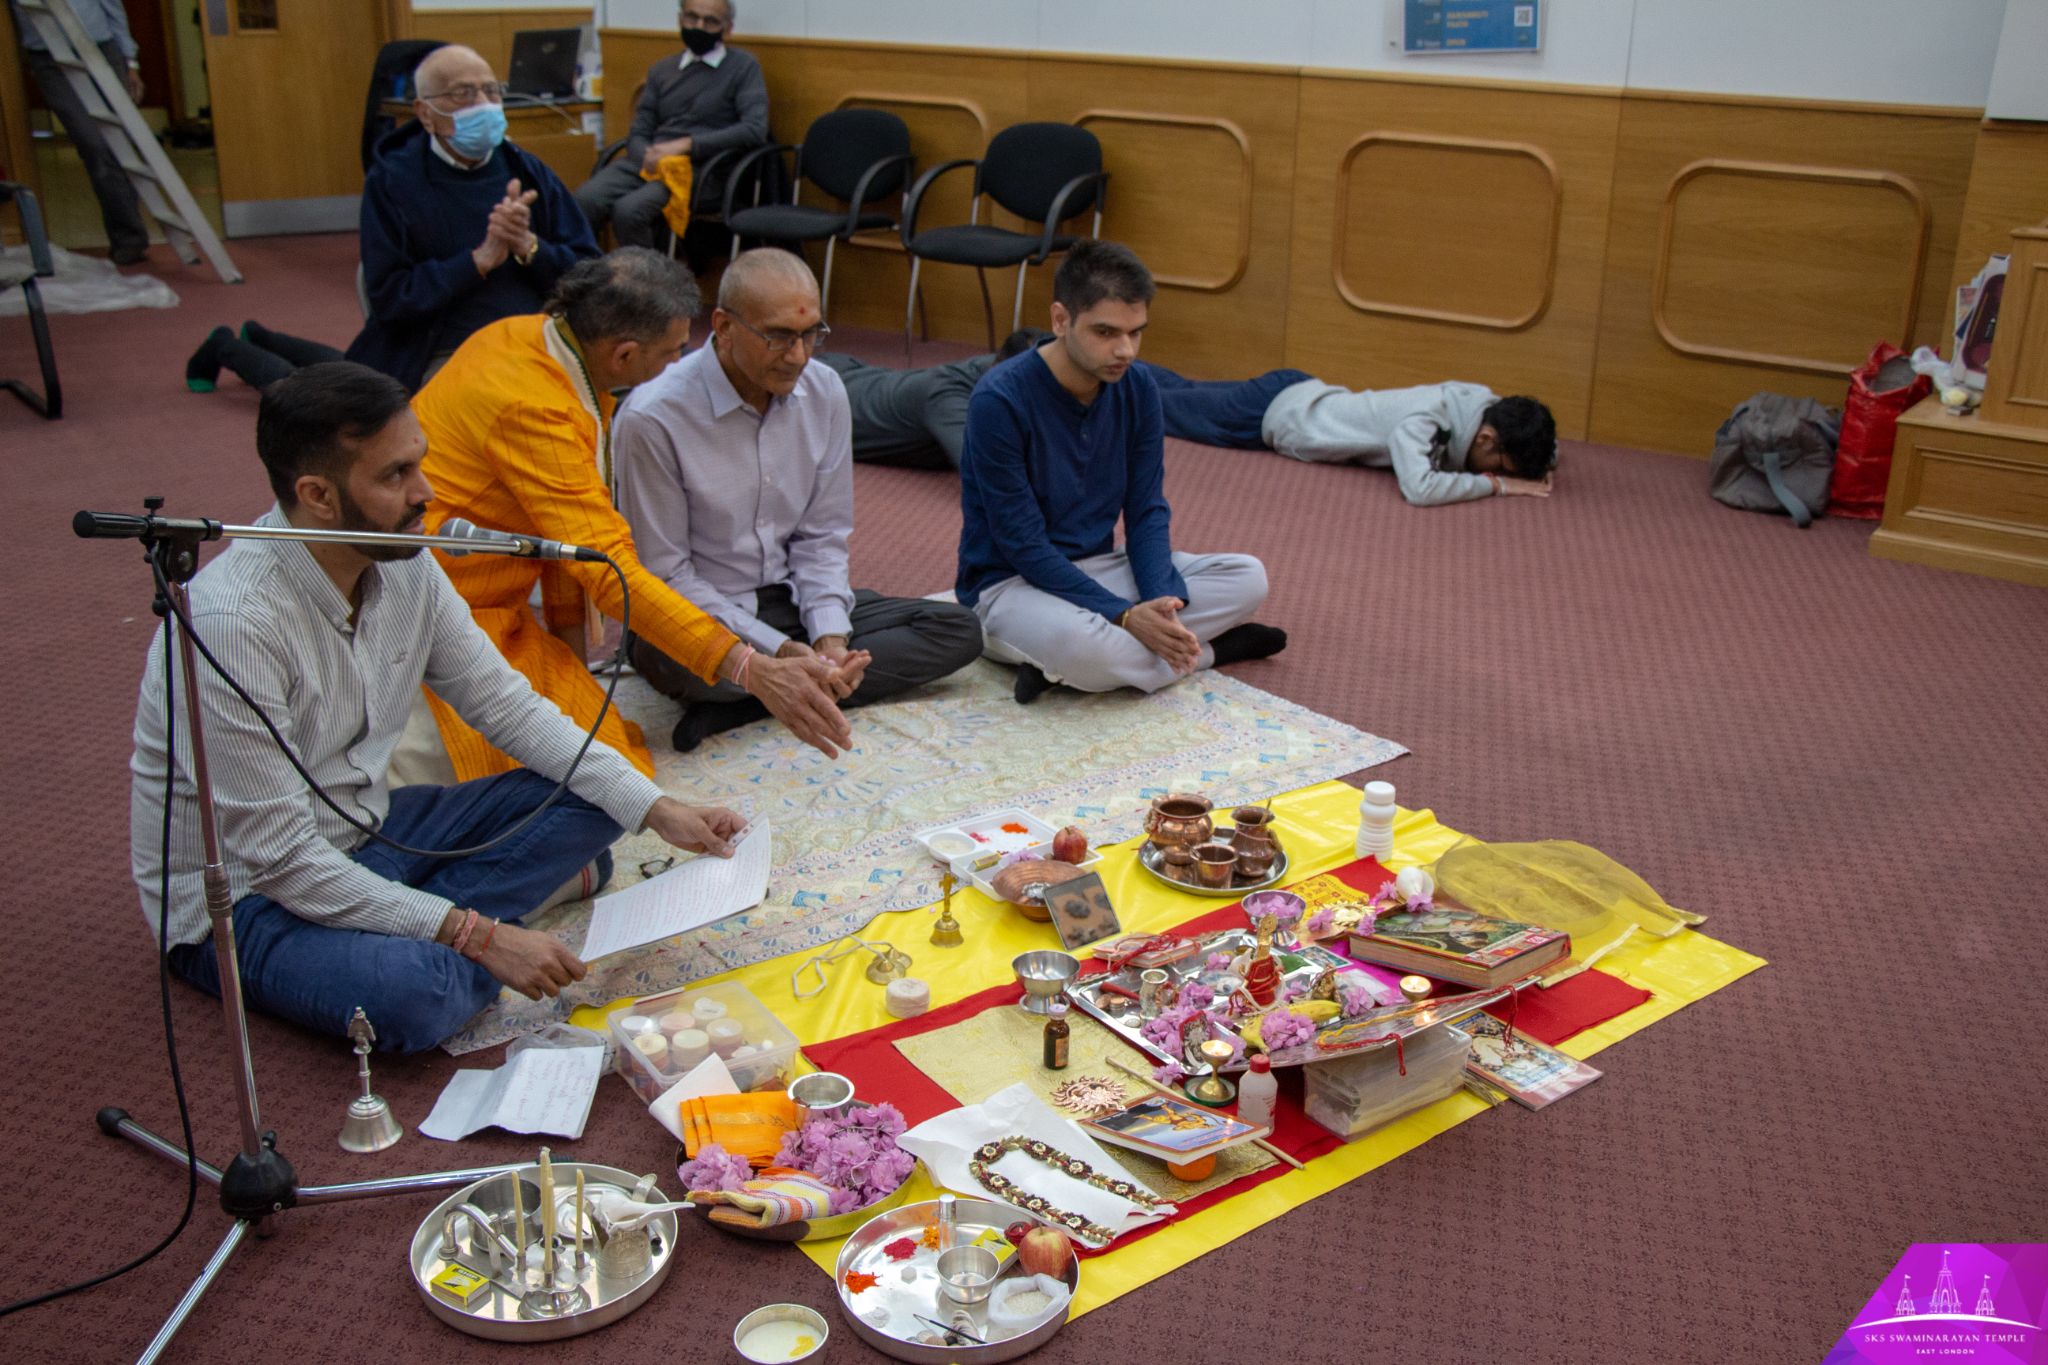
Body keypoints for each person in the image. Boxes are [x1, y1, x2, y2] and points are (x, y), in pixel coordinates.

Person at [129, 362, 746, 1052]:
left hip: (370, 829)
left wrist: (659, 809)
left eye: (419, 464)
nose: (427, 493)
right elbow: (282, 858)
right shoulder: (232, 623)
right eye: (396, 476)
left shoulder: (406, 562)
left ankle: (418, 913)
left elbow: (507, 706)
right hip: (250, 898)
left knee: (606, 792)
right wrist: (477, 933)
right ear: (318, 495)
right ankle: (450, 917)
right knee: (418, 996)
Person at [413, 247, 853, 781]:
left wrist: (571, 662)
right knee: (591, 775)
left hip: (498, 599)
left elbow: (562, 544)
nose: (678, 364)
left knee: (598, 746)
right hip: (448, 607)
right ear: (623, 356)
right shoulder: (536, 407)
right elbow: (606, 568)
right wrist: (748, 666)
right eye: (671, 352)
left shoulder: (527, 338)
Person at [616, 250, 983, 750]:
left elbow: (822, 536)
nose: (799, 355)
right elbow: (666, 576)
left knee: (956, 630)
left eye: (811, 334)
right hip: (698, 618)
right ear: (722, 327)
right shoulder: (653, 417)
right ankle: (768, 686)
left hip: (785, 600)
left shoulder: (824, 390)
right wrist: (781, 651)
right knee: (681, 661)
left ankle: (750, 705)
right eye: (779, 337)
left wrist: (830, 639)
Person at [956, 240, 1286, 704]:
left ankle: (1065, 671)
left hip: (1101, 566)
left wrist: (1157, 602)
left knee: (1248, 577)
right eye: (1106, 332)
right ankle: (1213, 652)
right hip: (1010, 584)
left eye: (1135, 332)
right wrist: (1125, 616)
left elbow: (1147, 508)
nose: (1125, 350)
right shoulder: (999, 401)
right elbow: (1022, 543)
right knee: (1083, 648)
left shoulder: (1138, 387)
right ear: (1060, 319)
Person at [185, 45, 600, 395]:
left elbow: (590, 275)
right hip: (432, 346)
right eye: (464, 94)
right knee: (308, 397)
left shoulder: (528, 172)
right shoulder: (394, 182)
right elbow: (389, 298)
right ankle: (228, 346)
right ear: (425, 113)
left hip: (530, 342)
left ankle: (258, 334)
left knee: (344, 367)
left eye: (492, 91)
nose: (485, 106)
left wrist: (530, 247)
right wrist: (476, 262)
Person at [573, 0, 767, 255]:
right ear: (680, 20)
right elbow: (640, 130)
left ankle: (649, 289)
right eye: (691, 18)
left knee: (630, 211)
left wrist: (686, 145)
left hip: (702, 168)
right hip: (648, 161)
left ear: (727, 29)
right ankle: (588, 282)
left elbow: (754, 129)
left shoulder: (743, 67)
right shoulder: (662, 70)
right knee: (583, 201)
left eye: (710, 21)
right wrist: (648, 156)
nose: (699, 26)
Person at [1254, 379, 1557, 506]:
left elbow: (1540, 439)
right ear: (1486, 439)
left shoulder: (1481, 407)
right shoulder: (1423, 420)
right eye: (1502, 468)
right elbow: (1419, 488)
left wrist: (1541, 463)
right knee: (1202, 405)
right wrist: (1497, 486)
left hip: (1307, 391)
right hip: (1275, 417)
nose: (1503, 475)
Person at [10, 0, 149, 263]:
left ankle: (129, 240)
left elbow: (113, 9)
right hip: (48, 58)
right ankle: (129, 235)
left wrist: (131, 62)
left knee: (118, 146)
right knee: (93, 144)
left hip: (100, 51)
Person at [815, 330, 1040, 470]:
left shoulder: (1004, 371)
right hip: (822, 400)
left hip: (856, 375)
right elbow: (992, 475)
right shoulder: (949, 396)